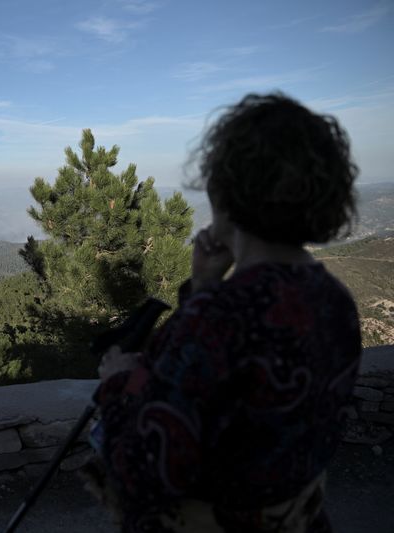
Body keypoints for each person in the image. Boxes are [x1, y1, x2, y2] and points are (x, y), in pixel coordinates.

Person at [96, 93, 361, 533]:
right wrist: (204, 286)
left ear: (227, 190)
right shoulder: (333, 299)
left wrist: (117, 383)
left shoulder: (222, 317)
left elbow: (144, 473)